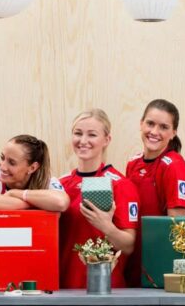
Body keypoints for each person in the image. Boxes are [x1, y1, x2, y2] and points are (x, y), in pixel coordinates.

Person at [58, 109, 140, 289]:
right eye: (78, 133)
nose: (83, 140)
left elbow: (129, 246)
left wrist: (106, 227)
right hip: (63, 287)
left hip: (103, 288)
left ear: (107, 140)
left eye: (92, 135)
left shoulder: (120, 185)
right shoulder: (61, 184)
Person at [124, 99, 185, 286]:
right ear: (141, 124)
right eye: (150, 123)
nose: (154, 132)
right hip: (131, 264)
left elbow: (177, 230)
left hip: (156, 271)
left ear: (173, 132)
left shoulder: (175, 168)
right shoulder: (133, 163)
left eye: (163, 127)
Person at [0, 134, 69, 212]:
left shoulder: (47, 182)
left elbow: (61, 202)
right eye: (2, 158)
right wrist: (39, 204)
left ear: (32, 168)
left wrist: (14, 193)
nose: (2, 167)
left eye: (12, 163)